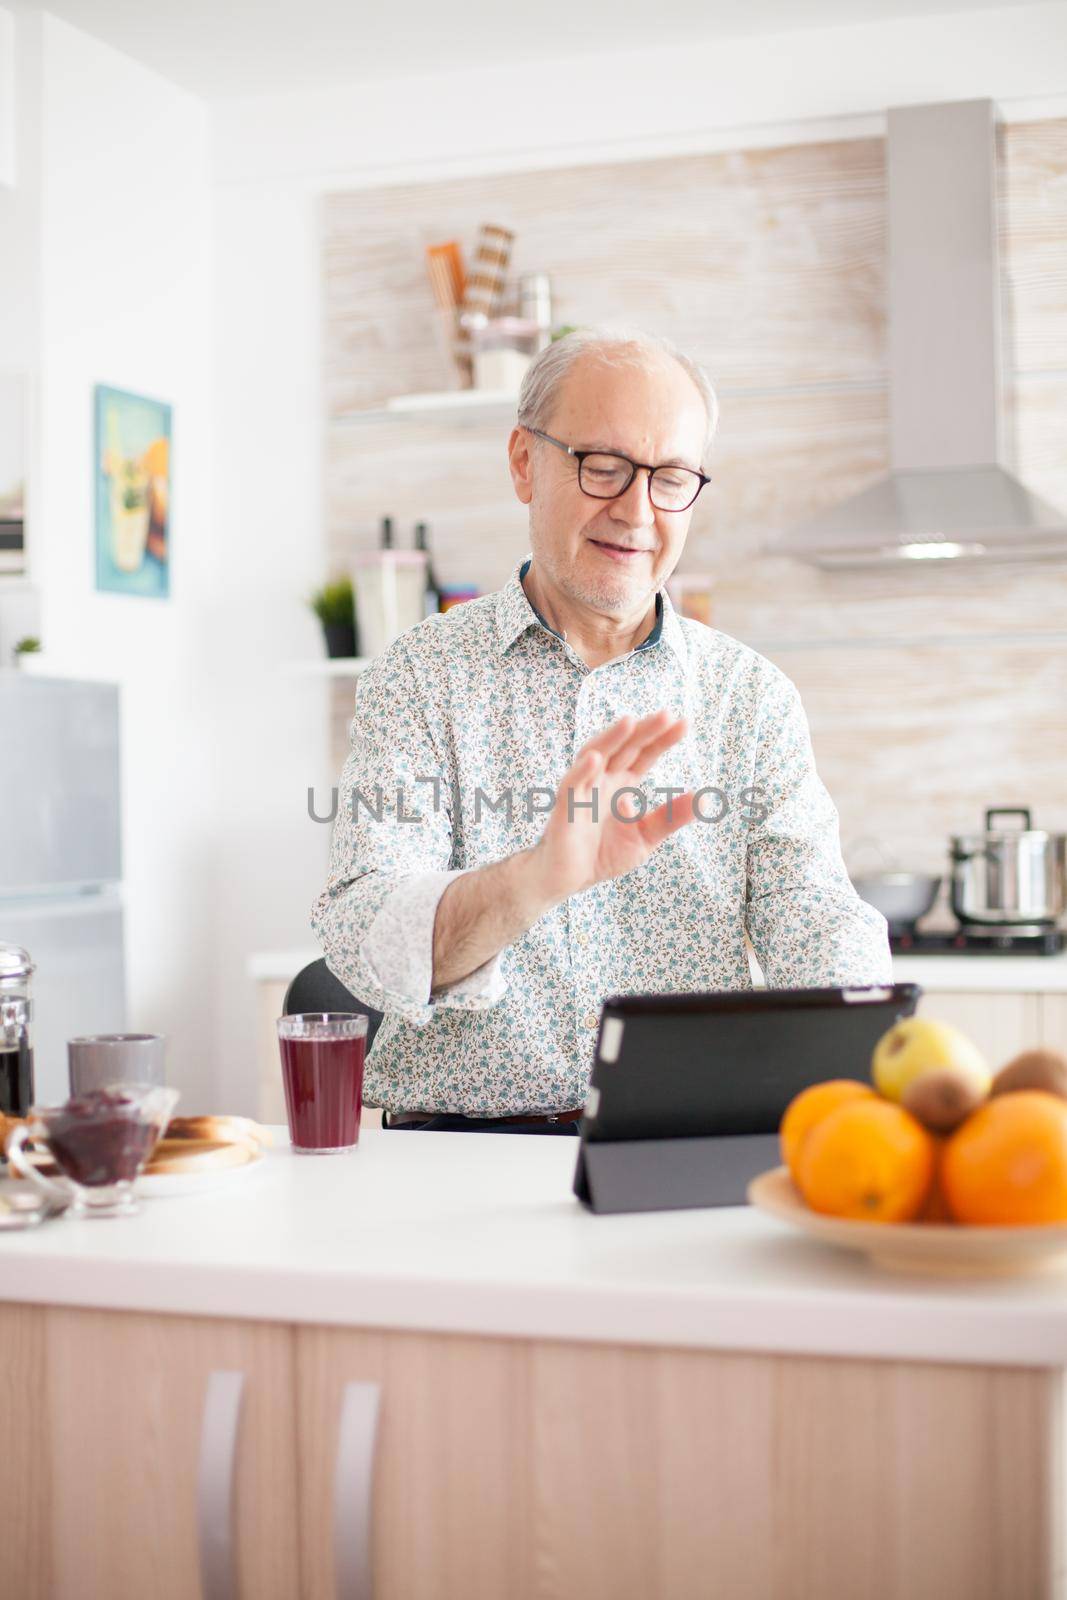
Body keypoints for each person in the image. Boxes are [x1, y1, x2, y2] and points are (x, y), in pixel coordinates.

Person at [311, 327, 890, 1135]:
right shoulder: (418, 676)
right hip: (462, 1148)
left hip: (686, 1132)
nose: (636, 511)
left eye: (671, 478)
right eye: (603, 466)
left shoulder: (749, 697)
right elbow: (365, 932)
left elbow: (814, 917)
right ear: (524, 461)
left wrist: (877, 1061)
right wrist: (536, 877)